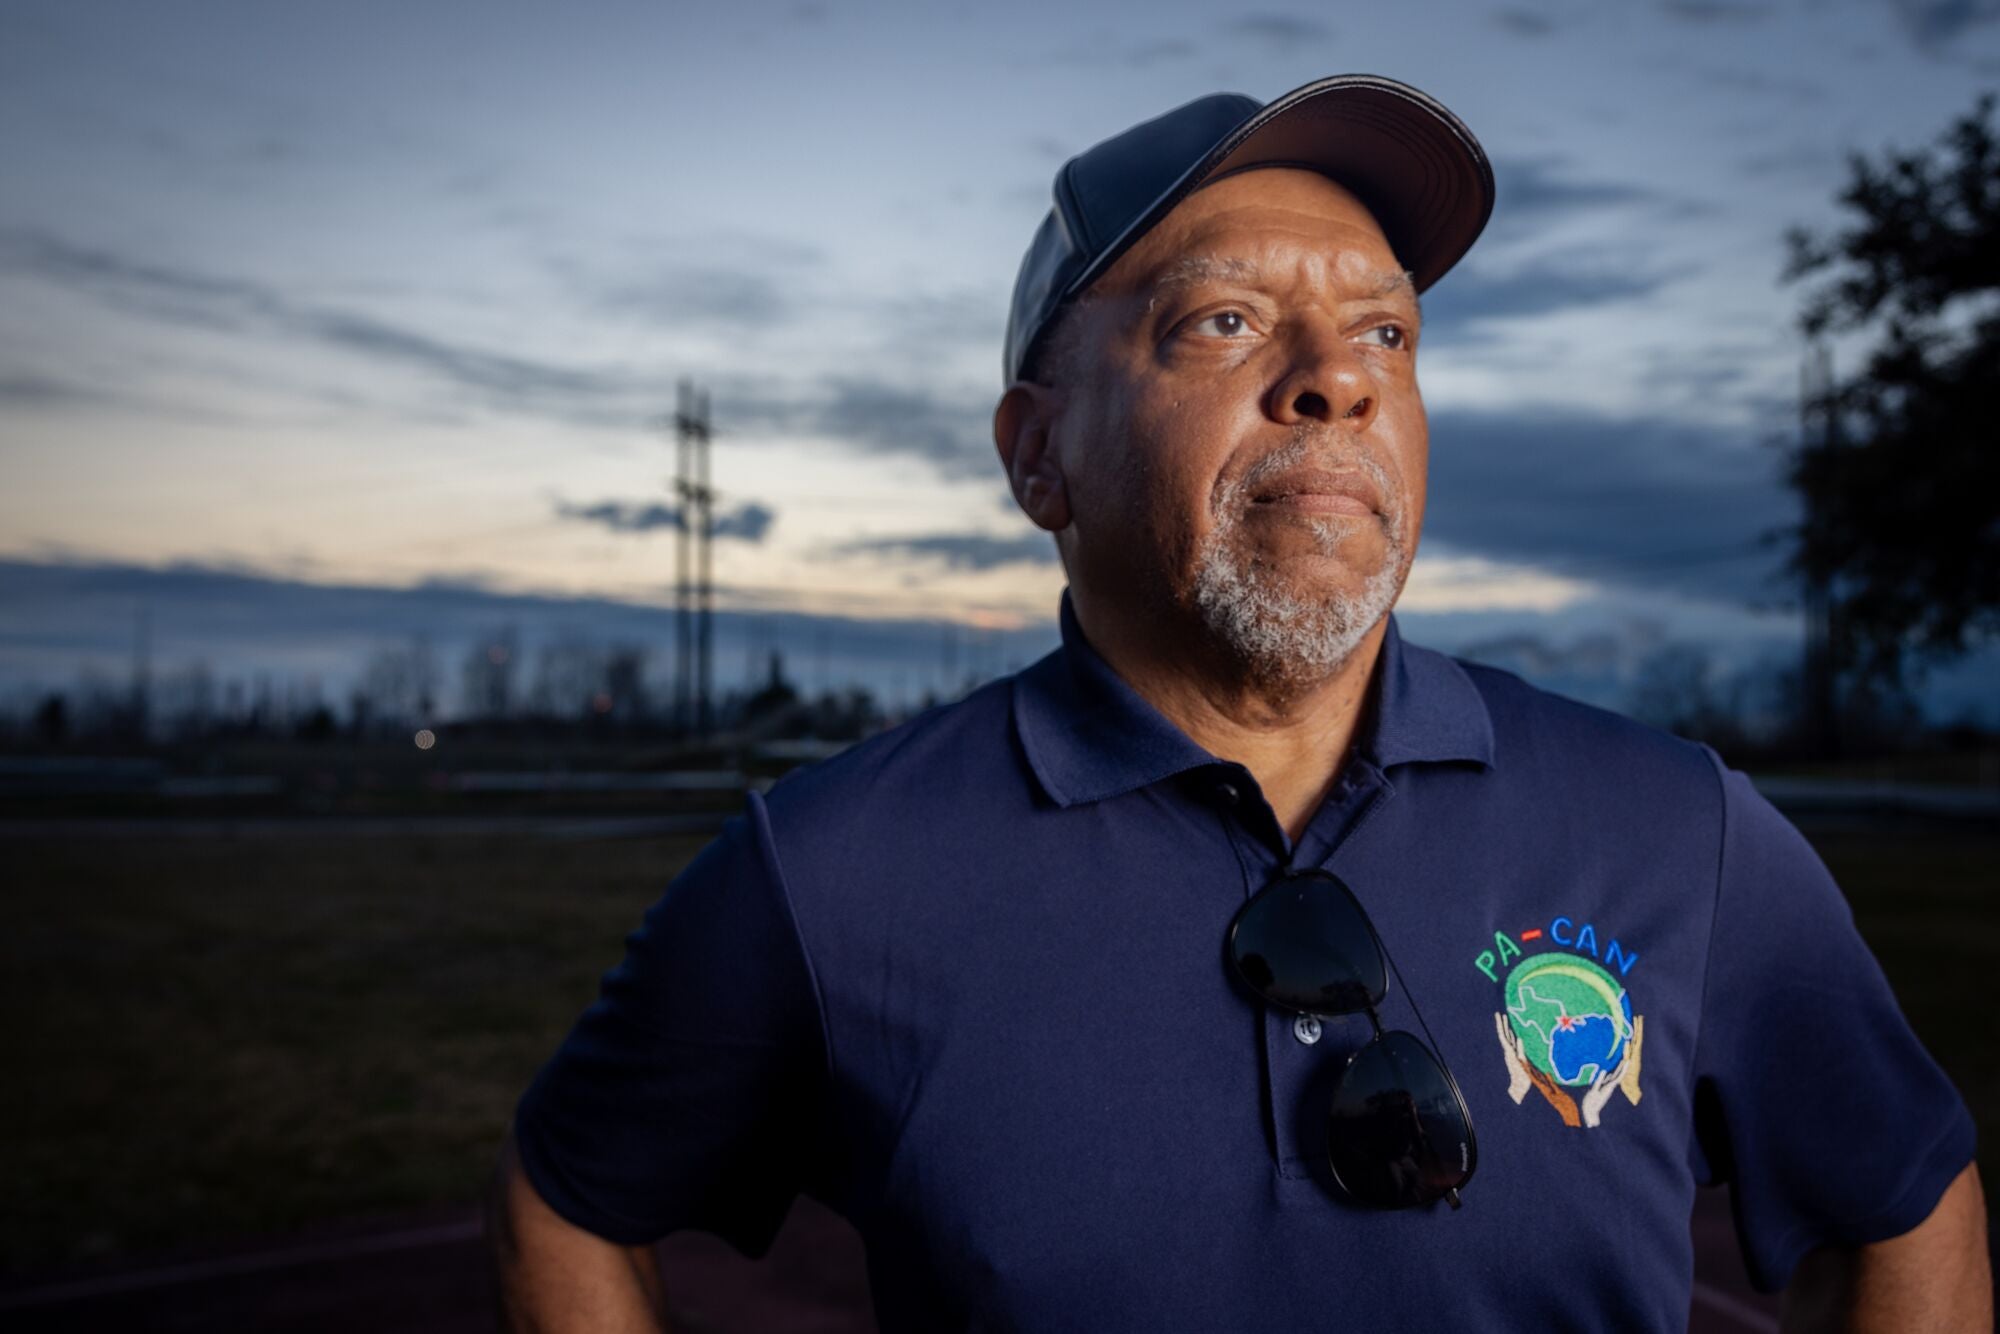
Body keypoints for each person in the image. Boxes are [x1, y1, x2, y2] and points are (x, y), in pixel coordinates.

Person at [487, 74, 1991, 1331]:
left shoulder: (1683, 832)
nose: (1335, 376)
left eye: (1387, 333)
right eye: (1220, 320)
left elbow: (1903, 1210)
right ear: (1038, 455)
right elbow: (570, 1198)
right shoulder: (825, 875)